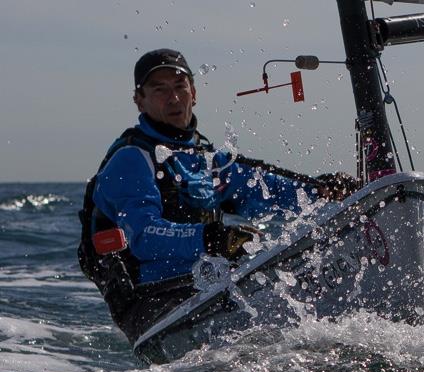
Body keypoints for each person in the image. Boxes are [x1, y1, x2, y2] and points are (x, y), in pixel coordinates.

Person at [78, 48, 357, 348]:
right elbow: (144, 236)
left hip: (207, 290)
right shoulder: (131, 160)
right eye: (159, 90)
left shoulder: (210, 160)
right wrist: (211, 237)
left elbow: (270, 188)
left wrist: (322, 190)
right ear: (139, 100)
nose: (173, 98)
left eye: (179, 87)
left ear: (194, 93)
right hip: (153, 306)